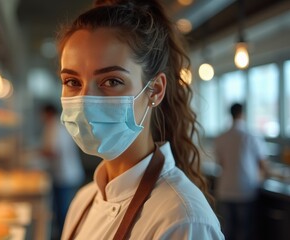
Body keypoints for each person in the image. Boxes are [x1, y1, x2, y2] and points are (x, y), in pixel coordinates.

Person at [56, 0, 224, 239]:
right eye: (72, 82)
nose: (85, 101)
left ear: (154, 90)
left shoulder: (183, 219)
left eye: (111, 81)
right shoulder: (83, 201)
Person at [214, 103, 268, 240]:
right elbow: (263, 165)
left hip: (225, 189)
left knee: (226, 230)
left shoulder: (221, 137)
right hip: (245, 189)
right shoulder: (251, 136)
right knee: (244, 231)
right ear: (242, 114)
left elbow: (220, 163)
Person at [39, 103, 85, 239]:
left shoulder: (55, 128)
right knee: (61, 209)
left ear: (48, 113)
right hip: (64, 173)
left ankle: (65, 236)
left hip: (65, 175)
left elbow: (53, 152)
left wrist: (37, 153)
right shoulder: (58, 126)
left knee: (64, 211)